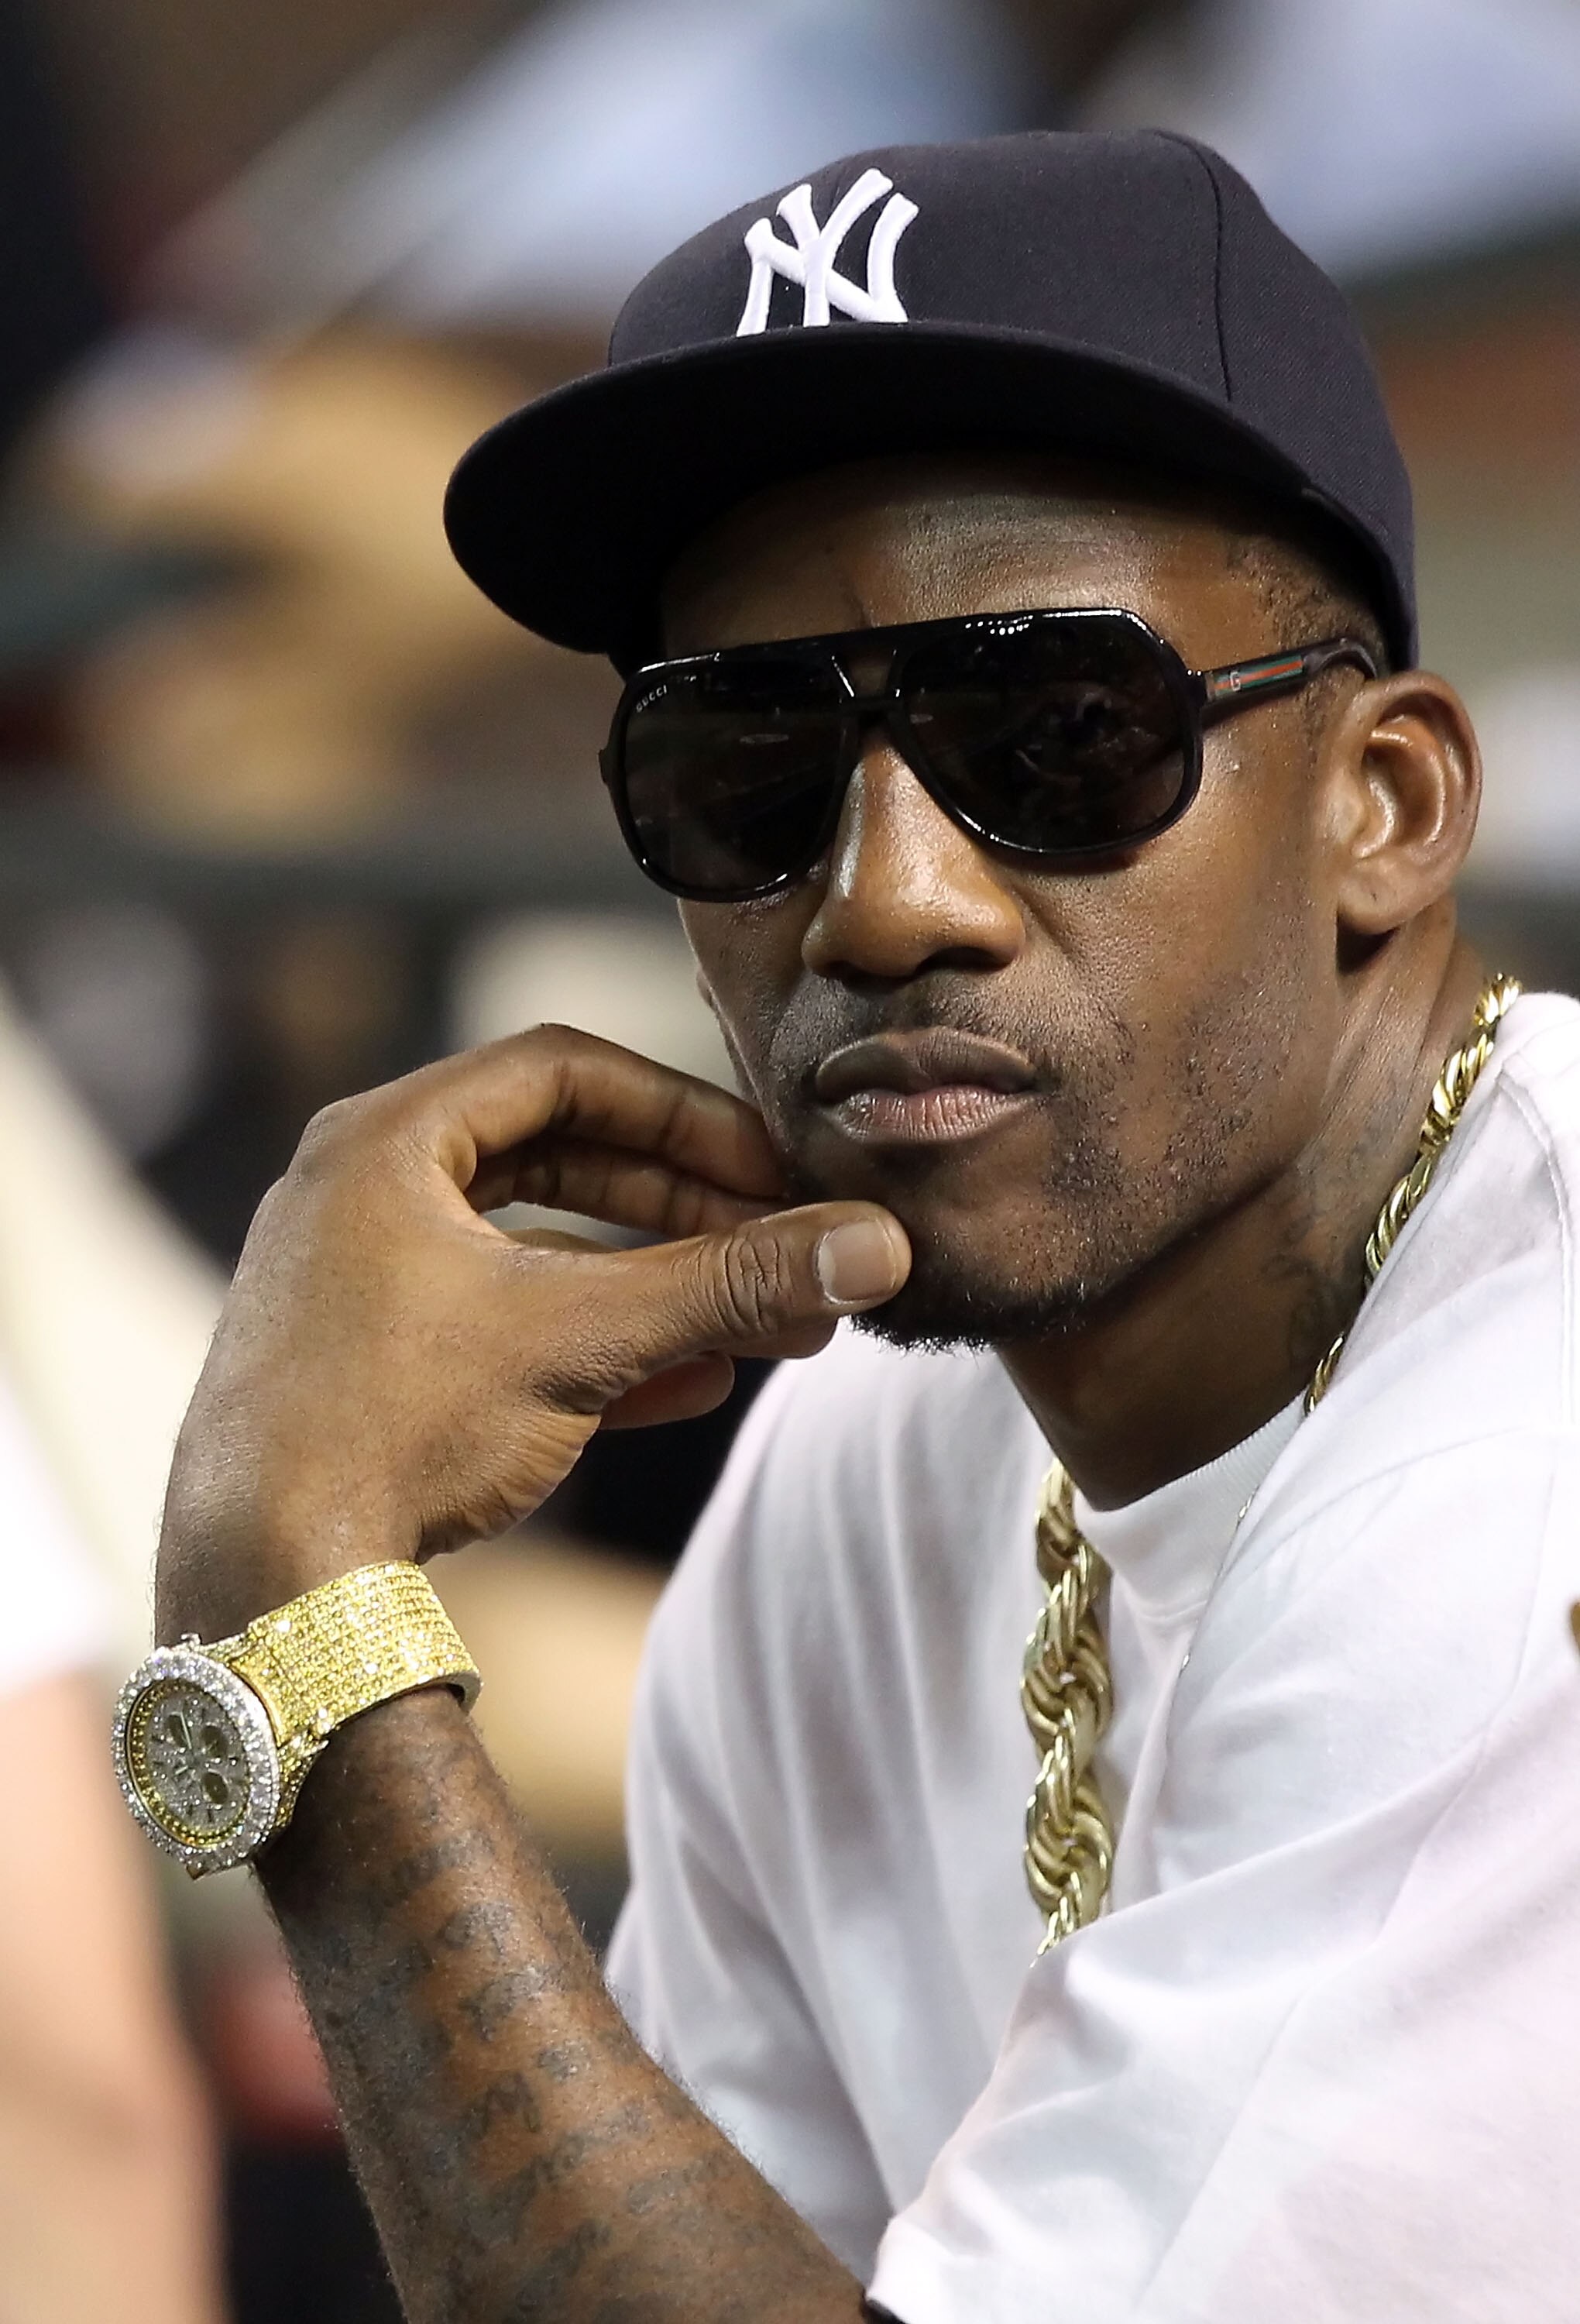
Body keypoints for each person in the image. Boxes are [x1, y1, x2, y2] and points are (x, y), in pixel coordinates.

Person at [130, 132, 1580, 2322]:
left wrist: (310, 1621)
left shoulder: (1528, 1464)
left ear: (1385, 807)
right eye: (745, 770)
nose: (887, 897)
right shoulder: (880, 1440)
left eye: (1064, 737)